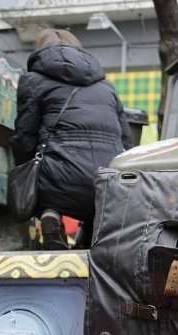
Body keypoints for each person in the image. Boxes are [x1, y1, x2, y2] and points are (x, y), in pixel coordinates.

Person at [11, 29, 132, 250]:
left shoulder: (32, 81)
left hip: (58, 182)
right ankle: (92, 235)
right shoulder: (107, 87)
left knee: (34, 174)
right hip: (107, 181)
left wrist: (25, 168)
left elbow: (24, 136)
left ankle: (51, 215)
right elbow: (126, 140)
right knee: (98, 205)